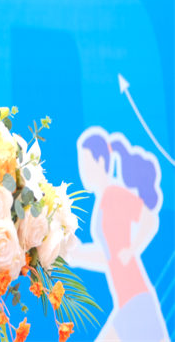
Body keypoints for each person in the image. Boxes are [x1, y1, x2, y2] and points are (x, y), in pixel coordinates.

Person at [71, 127, 169, 342]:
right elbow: (108, 257)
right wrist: (75, 255)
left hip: (136, 301)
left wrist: (132, 248)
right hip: (131, 302)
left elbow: (150, 219)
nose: (83, 170)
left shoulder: (114, 195)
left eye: (86, 163)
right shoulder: (105, 200)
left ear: (100, 162)